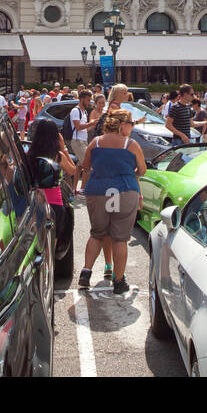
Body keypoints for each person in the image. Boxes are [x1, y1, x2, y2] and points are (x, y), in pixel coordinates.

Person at [77, 110, 145, 295]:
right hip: (124, 189)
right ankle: (118, 281)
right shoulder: (130, 144)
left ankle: (86, 271)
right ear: (123, 125)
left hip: (98, 190)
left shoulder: (95, 142)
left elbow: (85, 166)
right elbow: (143, 169)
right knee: (120, 238)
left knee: (97, 233)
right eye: (131, 123)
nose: (132, 126)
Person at [67, 88, 97, 161]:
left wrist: (94, 125)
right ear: (81, 99)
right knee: (87, 164)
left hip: (83, 140)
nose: (89, 102)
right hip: (77, 141)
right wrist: (91, 123)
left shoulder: (84, 112)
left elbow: (85, 128)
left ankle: (74, 172)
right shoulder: (75, 111)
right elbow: (78, 127)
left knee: (80, 166)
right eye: (88, 100)